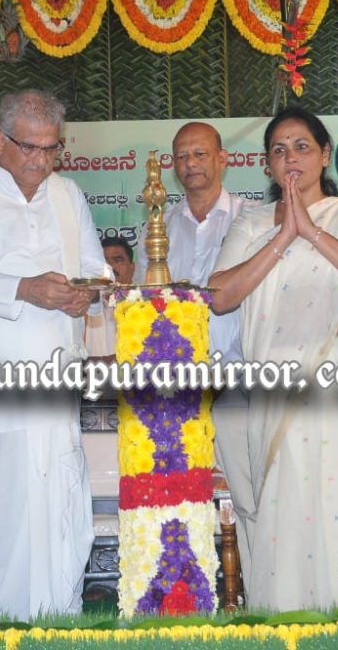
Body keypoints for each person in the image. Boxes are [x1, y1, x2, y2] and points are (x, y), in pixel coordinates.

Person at [210, 106, 338, 610]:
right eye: (279, 150)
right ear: (266, 165)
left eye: (302, 147)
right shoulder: (252, 224)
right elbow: (219, 295)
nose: (290, 158)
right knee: (289, 498)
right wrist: (284, 235)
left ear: (325, 155)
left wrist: (313, 233)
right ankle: (291, 617)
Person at [0, 89, 107, 620]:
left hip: (53, 382)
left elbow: (97, 270)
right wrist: (24, 289)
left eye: (51, 149)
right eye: (30, 147)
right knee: (2, 520)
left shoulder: (68, 196)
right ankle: (2, 627)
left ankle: (59, 623)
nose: (41, 160)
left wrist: (87, 293)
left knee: (61, 513)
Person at [134, 121, 260, 597]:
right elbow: (147, 306)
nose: (190, 164)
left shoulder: (253, 219)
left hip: (239, 383)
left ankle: (260, 598)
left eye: (200, 154)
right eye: (182, 156)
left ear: (223, 158)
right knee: (183, 503)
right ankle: (189, 599)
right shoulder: (158, 228)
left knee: (251, 498)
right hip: (179, 393)